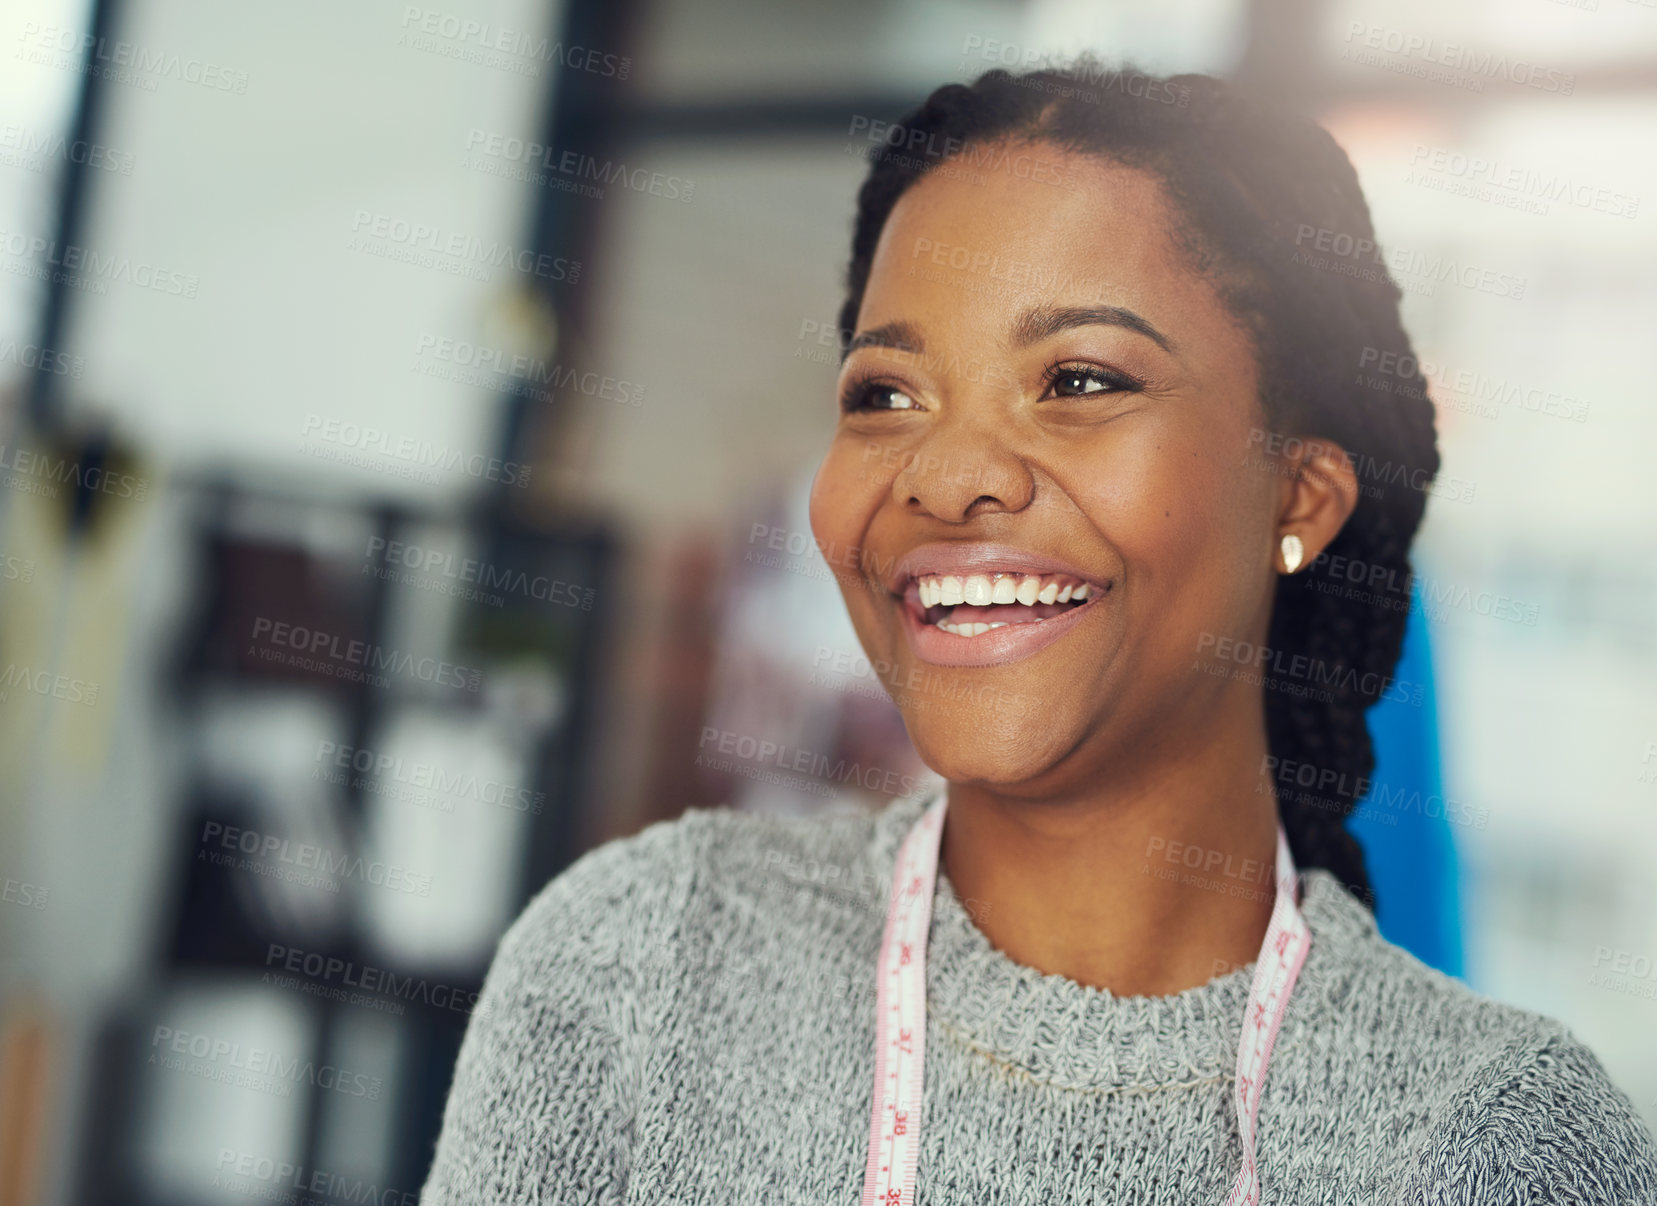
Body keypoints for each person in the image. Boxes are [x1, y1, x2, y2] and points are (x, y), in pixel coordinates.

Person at [419, 62, 1657, 1204]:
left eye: (1078, 380)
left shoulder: (1497, 1145)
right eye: (884, 394)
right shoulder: (642, 960)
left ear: (1298, 497)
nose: (945, 474)